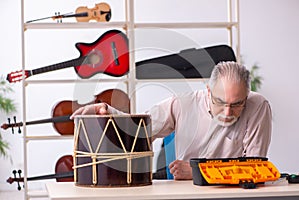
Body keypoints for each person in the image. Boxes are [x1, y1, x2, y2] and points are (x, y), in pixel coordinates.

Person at [70, 61, 272, 180]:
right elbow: (141, 128)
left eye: (237, 104)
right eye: (220, 102)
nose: (228, 112)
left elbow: (255, 168)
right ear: (208, 91)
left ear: (247, 95)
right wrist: (108, 112)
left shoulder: (258, 106)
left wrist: (198, 171)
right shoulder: (182, 104)